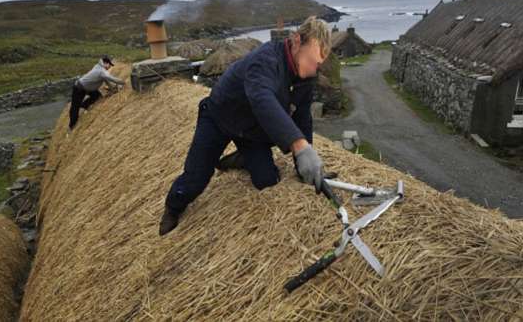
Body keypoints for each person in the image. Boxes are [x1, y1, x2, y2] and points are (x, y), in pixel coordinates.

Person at [159, 16, 332, 235]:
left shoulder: (305, 76)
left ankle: (240, 158)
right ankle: (173, 207)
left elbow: (303, 117)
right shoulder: (265, 59)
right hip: (219, 117)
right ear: (297, 41)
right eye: (311, 61)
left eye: (318, 65)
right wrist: (299, 146)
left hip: (251, 132)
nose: (313, 70)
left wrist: (304, 165)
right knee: (195, 181)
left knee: (267, 180)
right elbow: (262, 100)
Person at [68, 55, 125, 130]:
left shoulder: (98, 66)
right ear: (105, 63)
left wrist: (113, 88)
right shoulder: (101, 71)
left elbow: (106, 80)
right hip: (80, 88)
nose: (110, 67)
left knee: (97, 96)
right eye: (109, 65)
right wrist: (123, 82)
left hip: (88, 88)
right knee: (75, 107)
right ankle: (72, 126)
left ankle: (84, 105)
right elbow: (111, 79)